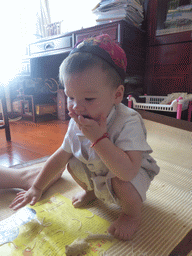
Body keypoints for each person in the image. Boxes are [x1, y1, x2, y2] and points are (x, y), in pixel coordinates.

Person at [10, 34, 160, 241]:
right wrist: (37, 186)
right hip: (100, 172)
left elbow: (128, 172)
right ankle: (92, 192)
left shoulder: (129, 121)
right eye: (71, 97)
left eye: (89, 98)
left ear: (117, 95)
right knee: (72, 163)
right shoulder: (78, 119)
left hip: (129, 175)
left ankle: (131, 214)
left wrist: (99, 140)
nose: (76, 107)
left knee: (121, 183)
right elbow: (60, 156)